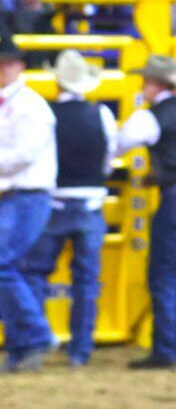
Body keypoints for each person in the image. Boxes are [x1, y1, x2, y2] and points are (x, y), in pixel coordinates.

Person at [20, 49, 115, 367]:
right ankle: (80, 349)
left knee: (34, 272)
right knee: (86, 279)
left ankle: (39, 338)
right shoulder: (102, 114)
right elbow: (108, 159)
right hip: (91, 203)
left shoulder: (47, 114)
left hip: (54, 201)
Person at [116, 55, 176, 370]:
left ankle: (165, 349)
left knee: (162, 273)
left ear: (156, 84)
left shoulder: (152, 117)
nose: (143, 88)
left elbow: (121, 143)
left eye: (145, 82)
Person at [0, 29, 57, 372]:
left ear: (19, 66)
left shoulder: (31, 106)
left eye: (6, 63)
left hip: (27, 194)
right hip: (14, 195)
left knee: (3, 264)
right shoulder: (16, 104)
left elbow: (25, 154)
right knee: (9, 267)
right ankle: (24, 346)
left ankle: (35, 336)